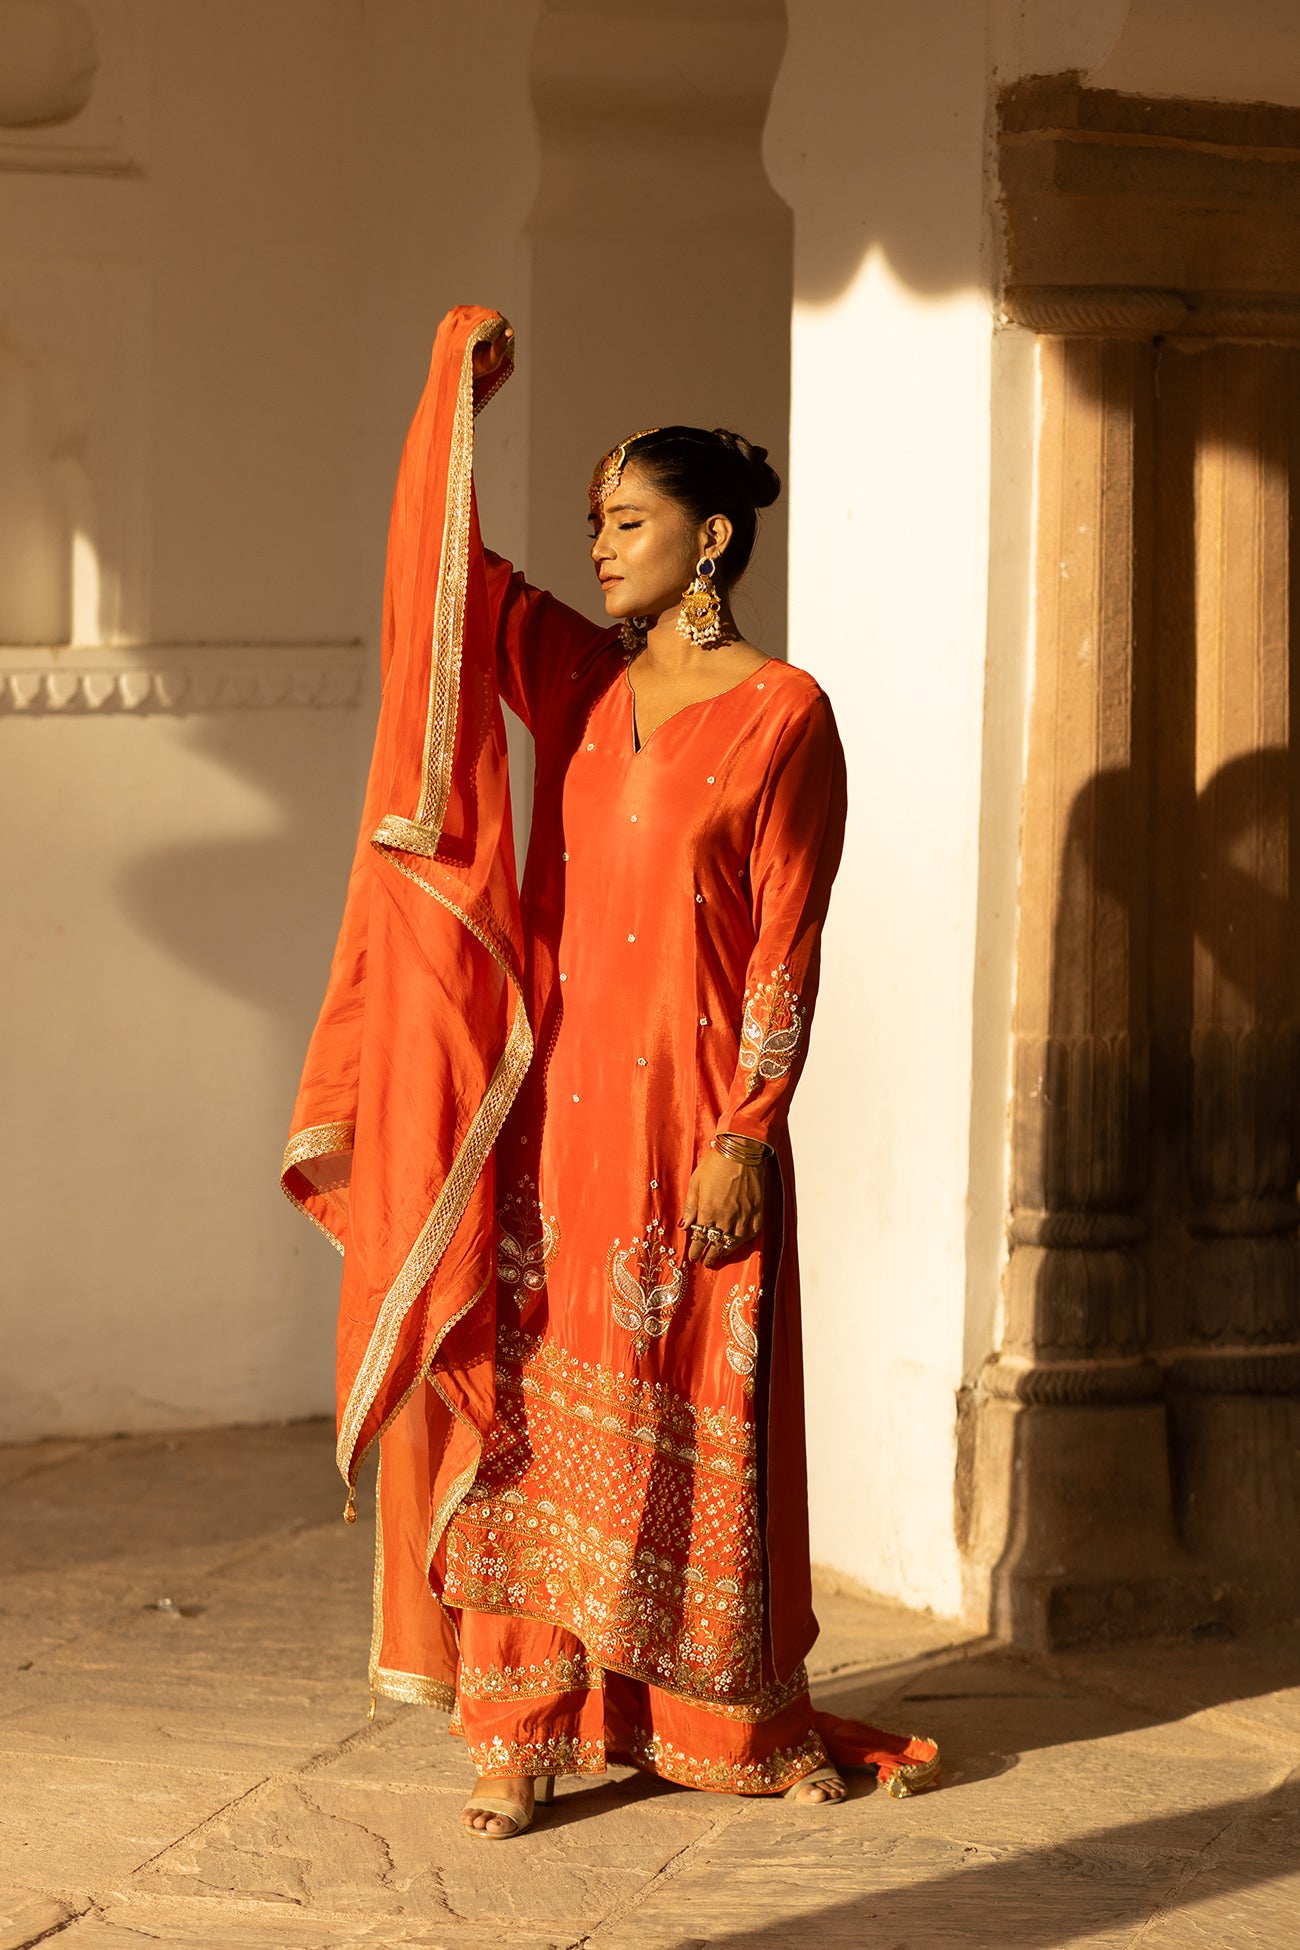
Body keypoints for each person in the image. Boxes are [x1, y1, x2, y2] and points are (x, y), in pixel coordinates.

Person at [282, 306, 938, 1843]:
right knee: (523, 1416)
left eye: (628, 520)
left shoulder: (785, 718)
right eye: (593, 520)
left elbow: (788, 944)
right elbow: (443, 592)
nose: (601, 545)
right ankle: (516, 1726)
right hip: (557, 1120)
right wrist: (451, 400)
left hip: (691, 1123)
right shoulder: (578, 683)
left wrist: (747, 1136)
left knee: (685, 1403)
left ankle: (700, 1705)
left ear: (711, 540)